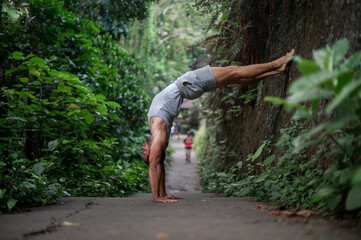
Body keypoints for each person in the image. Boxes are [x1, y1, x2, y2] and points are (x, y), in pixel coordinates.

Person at [142, 49, 295, 203]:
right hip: (188, 83)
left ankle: (277, 71)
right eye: (146, 154)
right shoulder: (159, 137)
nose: (143, 149)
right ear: (152, 153)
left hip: (187, 88)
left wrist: (163, 194)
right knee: (234, 71)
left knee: (235, 78)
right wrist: (157, 198)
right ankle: (277, 63)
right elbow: (154, 166)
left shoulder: (159, 135)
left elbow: (159, 164)